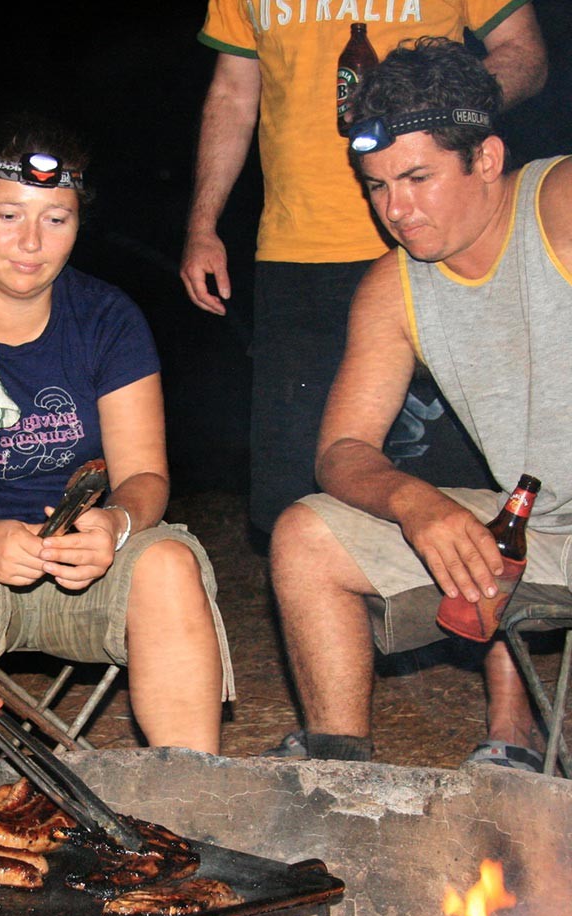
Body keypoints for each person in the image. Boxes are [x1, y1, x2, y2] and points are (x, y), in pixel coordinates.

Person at [0, 118, 231, 767]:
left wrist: (115, 525)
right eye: (9, 215)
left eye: (56, 220)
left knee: (169, 565)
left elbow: (145, 475)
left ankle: (187, 801)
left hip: (83, 566)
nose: (31, 243)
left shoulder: (107, 317)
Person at [268, 38, 571, 771]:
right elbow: (341, 451)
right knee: (305, 534)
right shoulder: (392, 287)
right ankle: (342, 779)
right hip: (544, 524)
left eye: (416, 177)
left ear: (487, 159)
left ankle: (521, 738)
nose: (395, 210)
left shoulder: (558, 206)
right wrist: (415, 502)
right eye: (376, 186)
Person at [181, 1, 544, 535]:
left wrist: (442, 117)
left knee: (458, 486)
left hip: (439, 240)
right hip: (297, 247)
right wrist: (202, 223)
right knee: (297, 493)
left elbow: (524, 51)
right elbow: (233, 94)